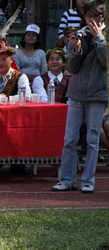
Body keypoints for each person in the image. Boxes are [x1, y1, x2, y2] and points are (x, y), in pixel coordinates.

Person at [52, 0, 106, 194]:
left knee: (92, 139)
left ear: (102, 18)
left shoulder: (105, 37)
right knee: (69, 138)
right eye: (87, 16)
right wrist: (74, 49)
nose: (90, 20)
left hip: (97, 94)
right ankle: (67, 180)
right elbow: (72, 69)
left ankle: (88, 181)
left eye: (94, 17)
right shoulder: (78, 35)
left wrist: (99, 38)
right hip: (76, 94)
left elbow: (106, 63)